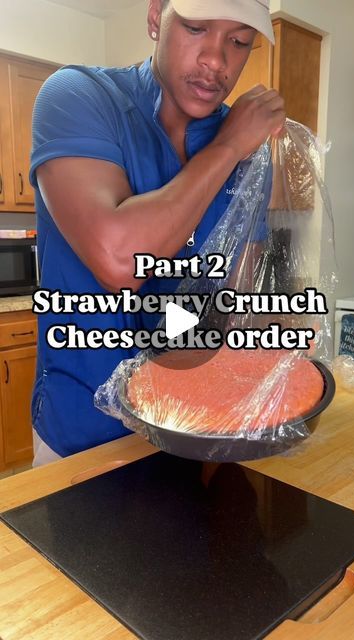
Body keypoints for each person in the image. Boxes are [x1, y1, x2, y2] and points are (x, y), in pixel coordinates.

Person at [30, 0, 285, 465]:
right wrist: (228, 146)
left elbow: (232, 307)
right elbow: (119, 260)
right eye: (195, 28)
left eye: (238, 41)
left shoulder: (253, 158)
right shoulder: (76, 96)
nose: (215, 59)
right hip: (80, 440)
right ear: (155, 18)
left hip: (190, 434)